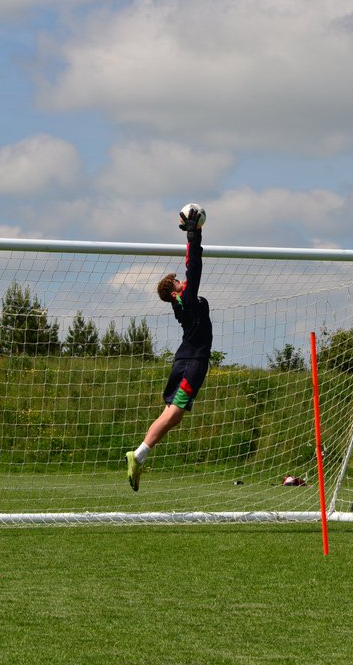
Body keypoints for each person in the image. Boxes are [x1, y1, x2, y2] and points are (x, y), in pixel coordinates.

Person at [126, 204, 212, 491]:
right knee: (174, 415)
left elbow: (191, 271)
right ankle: (139, 454)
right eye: (178, 280)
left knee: (170, 416)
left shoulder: (182, 303)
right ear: (175, 290)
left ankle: (139, 455)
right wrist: (193, 235)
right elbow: (194, 265)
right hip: (193, 362)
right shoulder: (185, 300)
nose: (184, 280)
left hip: (185, 360)